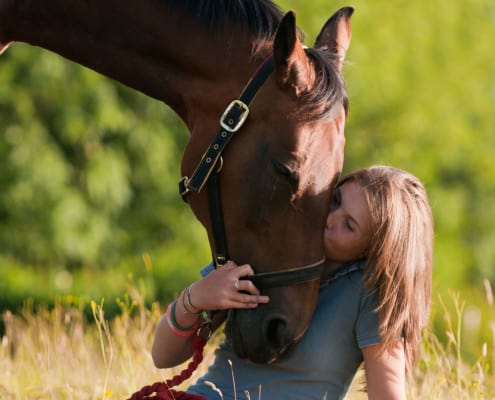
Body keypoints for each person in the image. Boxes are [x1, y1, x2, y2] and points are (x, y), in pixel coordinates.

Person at [151, 165, 434, 400]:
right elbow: (162, 356)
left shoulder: (369, 293)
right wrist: (195, 298)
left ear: (370, 249)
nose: (330, 218)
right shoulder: (265, 251)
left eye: (349, 225)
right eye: (335, 200)